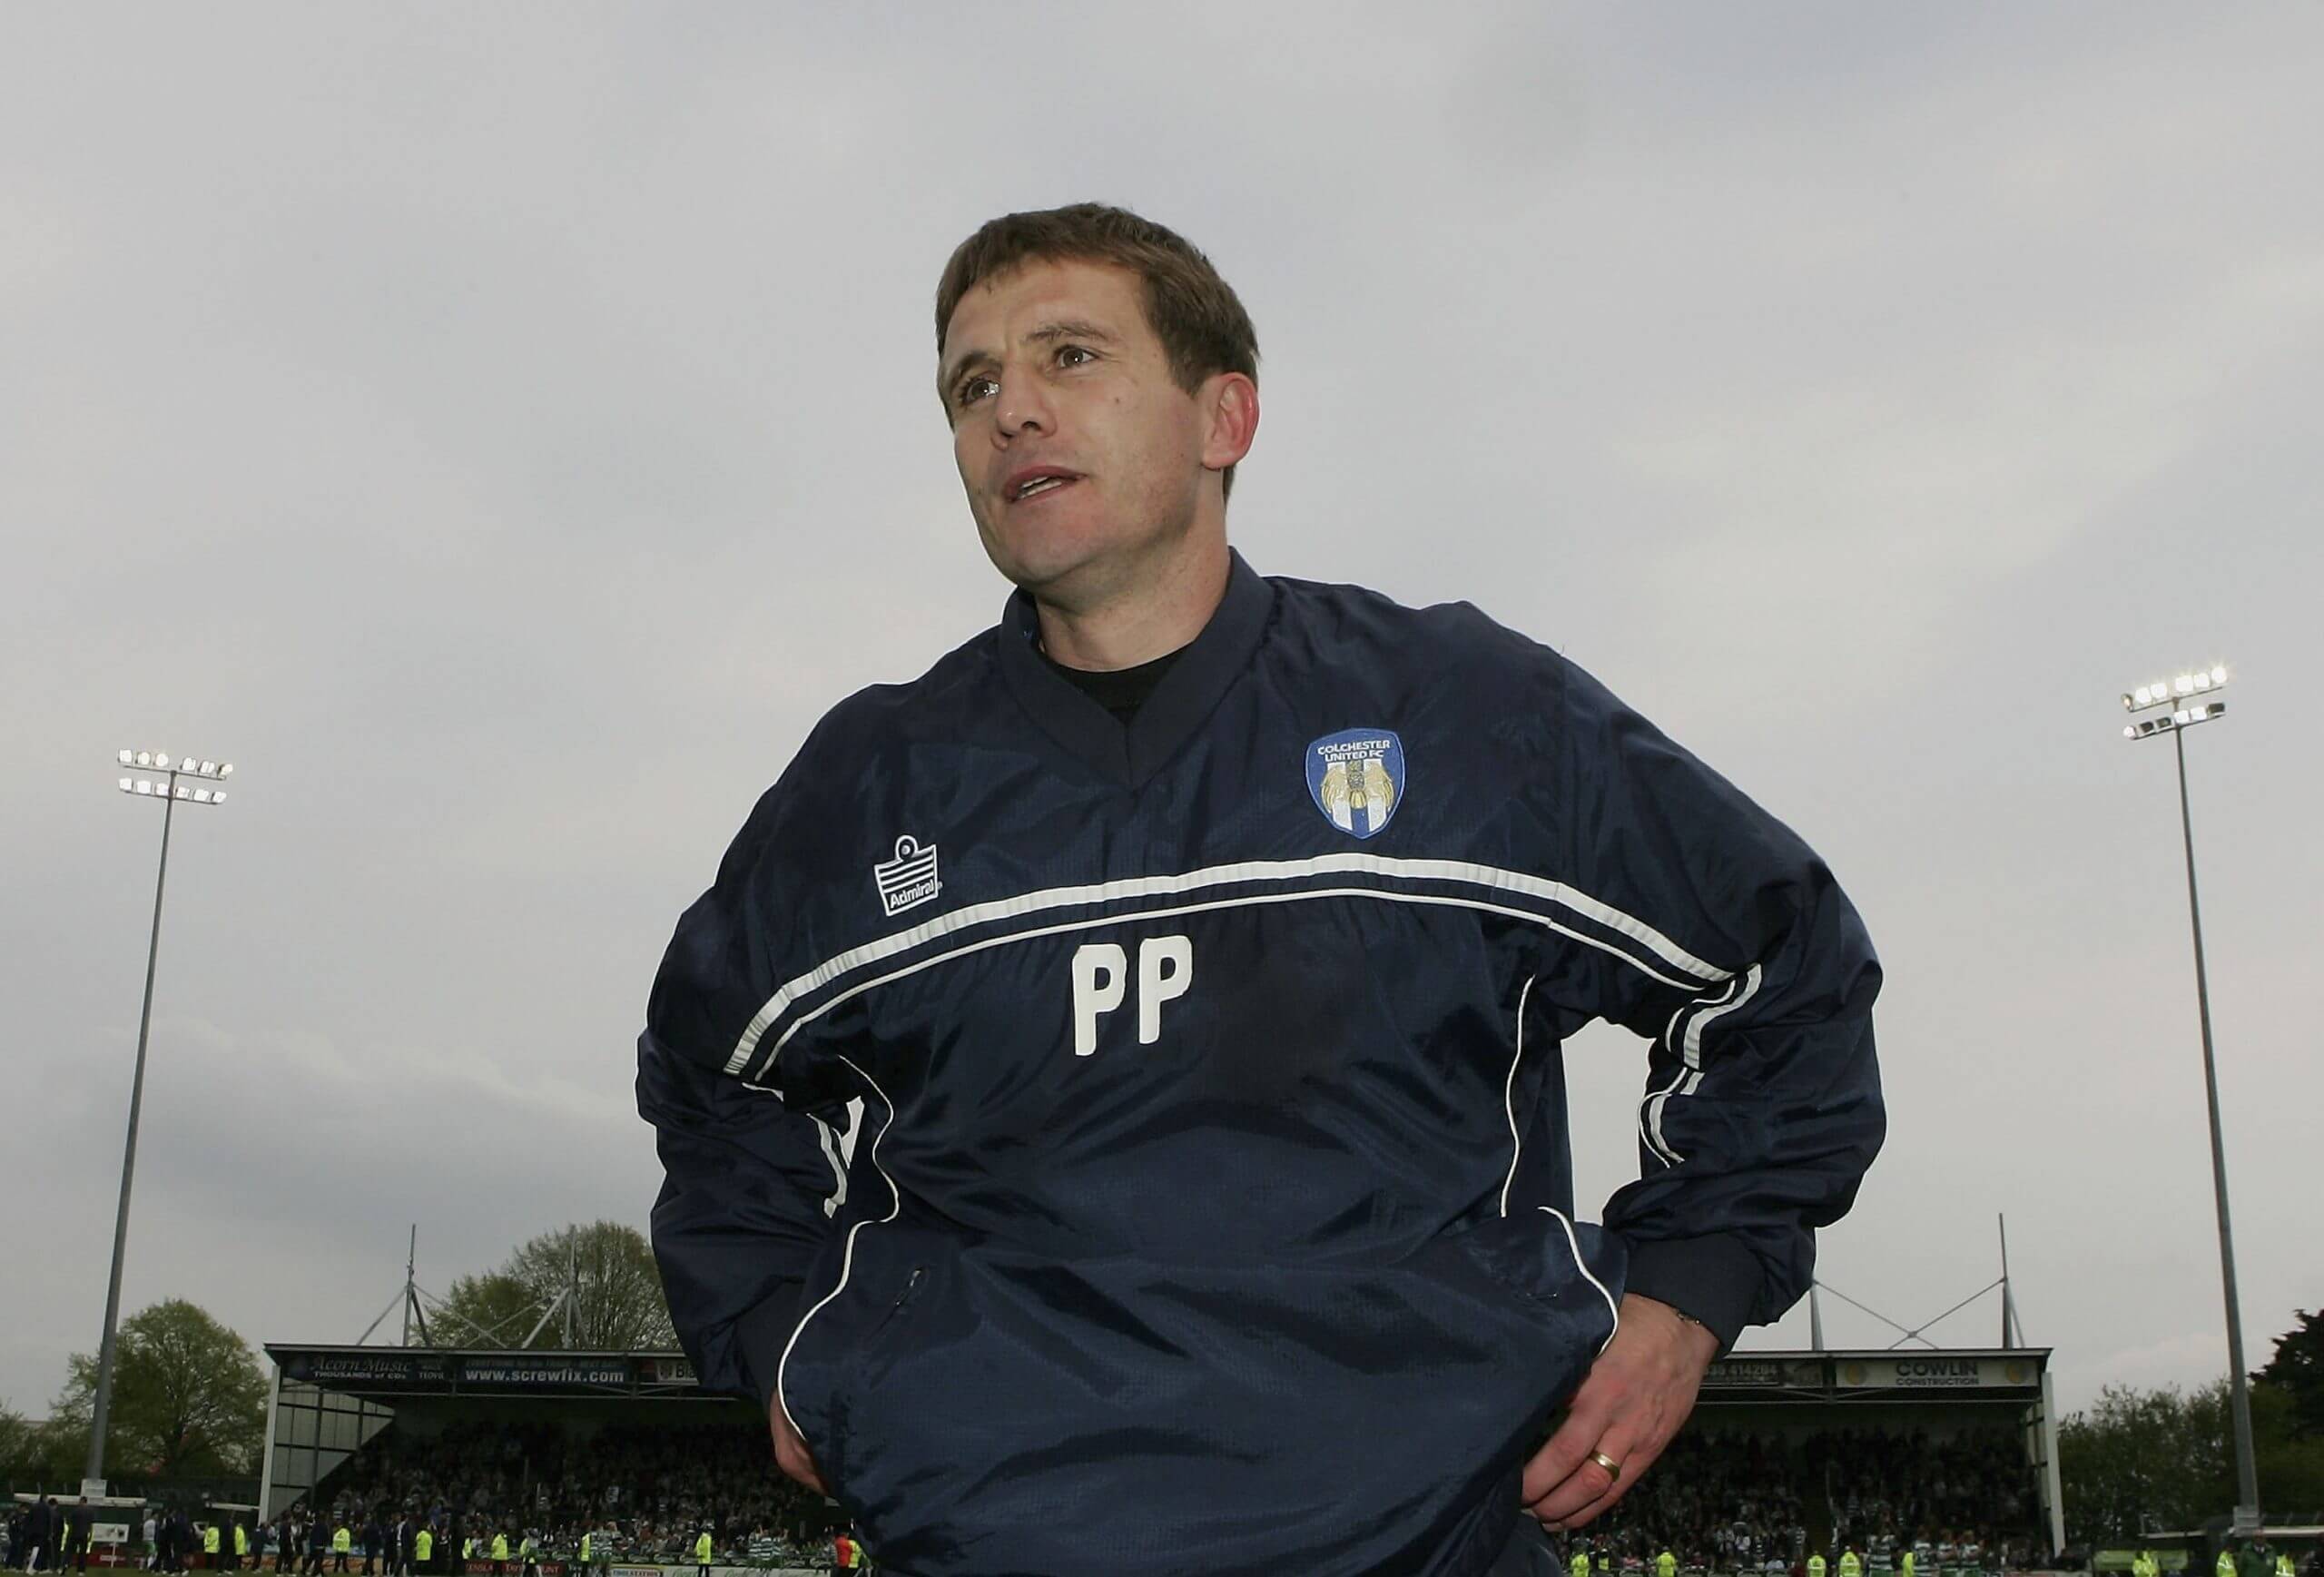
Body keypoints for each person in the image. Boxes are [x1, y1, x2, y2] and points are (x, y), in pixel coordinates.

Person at [638, 201, 1885, 1577]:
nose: (1010, 414)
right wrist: (786, 1342)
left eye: (1070, 358)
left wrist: (1687, 1292)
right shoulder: (866, 787)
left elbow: (1783, 965)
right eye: (972, 384)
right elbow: (715, 1080)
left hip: (1425, 1544)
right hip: (990, 1533)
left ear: (1222, 417)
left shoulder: (1469, 715)